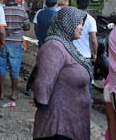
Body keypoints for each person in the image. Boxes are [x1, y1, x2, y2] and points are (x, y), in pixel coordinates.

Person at [32, 7, 91, 140]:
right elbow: (43, 82)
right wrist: (44, 106)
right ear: (66, 23)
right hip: (57, 124)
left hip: (70, 119)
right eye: (78, 23)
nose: (81, 27)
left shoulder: (66, 44)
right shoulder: (54, 46)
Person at [0, 0, 30, 101]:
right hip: (16, 44)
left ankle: (1, 93)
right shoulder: (21, 10)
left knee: (1, 68)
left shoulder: (1, 9)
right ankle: (14, 93)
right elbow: (27, 27)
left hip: (2, 42)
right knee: (15, 69)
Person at [73, 0, 97, 103]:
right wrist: (95, 53)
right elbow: (93, 40)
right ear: (88, 4)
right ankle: (88, 104)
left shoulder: (70, 16)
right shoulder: (91, 20)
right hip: (85, 57)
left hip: (70, 55)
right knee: (87, 84)